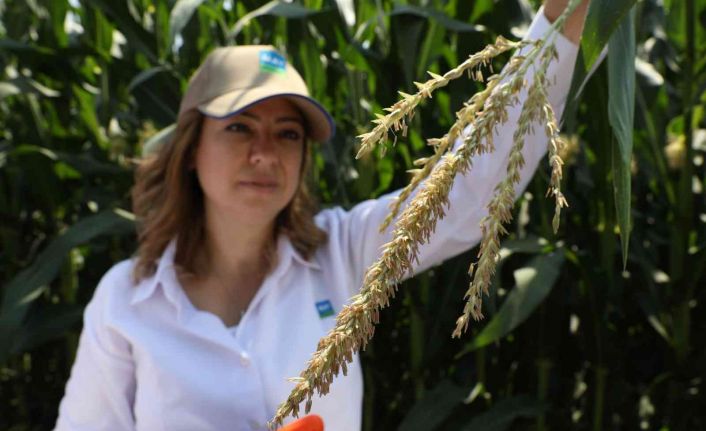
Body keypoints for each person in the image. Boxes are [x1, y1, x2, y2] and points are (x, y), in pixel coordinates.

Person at [54, 1, 588, 430]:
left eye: (287, 134)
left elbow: (469, 186)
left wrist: (560, 16)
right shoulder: (125, 300)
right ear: (190, 150)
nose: (265, 153)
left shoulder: (340, 252)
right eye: (239, 128)